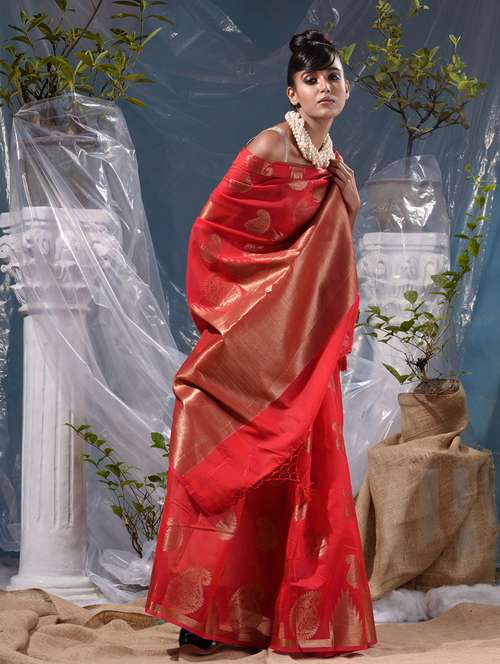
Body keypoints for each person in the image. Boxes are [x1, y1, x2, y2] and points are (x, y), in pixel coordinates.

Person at [144, 29, 378, 657]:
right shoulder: (269, 145)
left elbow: (327, 251)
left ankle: (277, 615)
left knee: (301, 469)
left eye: (333, 77)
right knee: (235, 456)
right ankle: (202, 616)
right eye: (312, 79)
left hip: (304, 346)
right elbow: (213, 232)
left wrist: (350, 200)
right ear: (292, 93)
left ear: (345, 89)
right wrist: (249, 308)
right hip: (257, 335)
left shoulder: (332, 161)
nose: (325, 87)